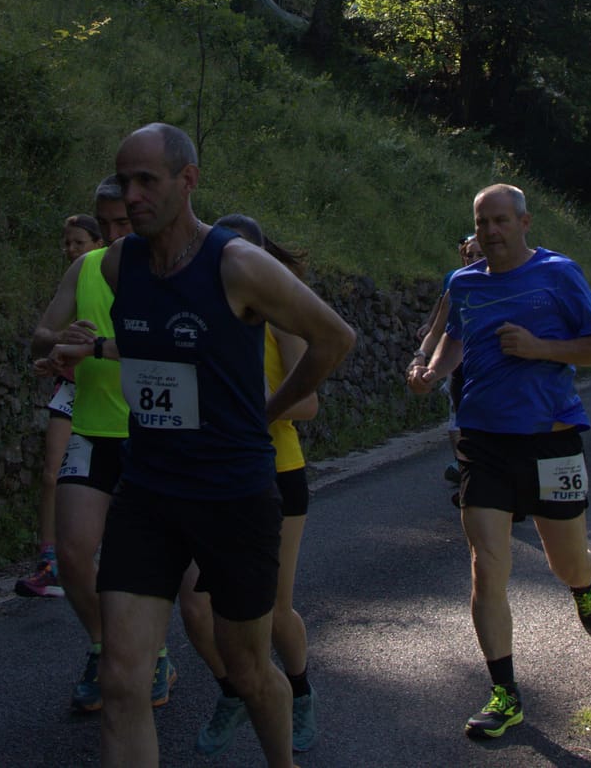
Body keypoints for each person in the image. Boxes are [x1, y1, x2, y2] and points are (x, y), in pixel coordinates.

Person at [42, 124, 356, 768]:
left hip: (232, 495)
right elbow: (158, 345)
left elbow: (335, 337)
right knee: (122, 679)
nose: (131, 196)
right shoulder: (119, 265)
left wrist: (266, 411)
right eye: (123, 181)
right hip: (148, 492)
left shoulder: (235, 263)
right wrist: (91, 347)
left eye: (146, 181)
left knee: (247, 669)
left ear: (188, 180)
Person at [408, 184, 591, 742]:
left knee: (567, 560)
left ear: (524, 222)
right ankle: (505, 692)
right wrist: (432, 371)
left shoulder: (559, 274)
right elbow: (453, 338)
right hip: (483, 440)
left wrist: (541, 347)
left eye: (501, 221)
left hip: (551, 439)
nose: (491, 232)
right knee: (487, 563)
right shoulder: (463, 282)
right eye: (483, 223)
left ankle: (584, 586)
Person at [26, 179, 171, 713]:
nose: (113, 235)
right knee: (71, 554)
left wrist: (102, 349)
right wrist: (61, 344)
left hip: (150, 432)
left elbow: (178, 346)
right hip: (90, 428)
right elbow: (42, 332)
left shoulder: (165, 269)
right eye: (104, 224)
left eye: (123, 225)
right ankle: (102, 645)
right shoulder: (84, 269)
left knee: (143, 561)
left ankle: (152, 653)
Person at [181, 215, 321, 757]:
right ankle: (235, 689)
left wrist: (251, 405)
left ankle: (299, 692)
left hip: (275, 474)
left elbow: (308, 402)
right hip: (210, 475)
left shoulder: (280, 314)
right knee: (194, 607)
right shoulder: (202, 311)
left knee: (274, 611)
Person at [16, 213, 104, 600]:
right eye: (67, 243)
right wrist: (57, 349)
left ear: (97, 243)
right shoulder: (77, 276)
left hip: (111, 396)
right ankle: (48, 561)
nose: (71, 249)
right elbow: (43, 336)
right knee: (51, 474)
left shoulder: (119, 273)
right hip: (71, 389)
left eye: (79, 243)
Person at [410, 235, 480, 483]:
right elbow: (442, 328)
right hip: (461, 369)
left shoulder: (514, 284)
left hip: (501, 378)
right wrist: (422, 359)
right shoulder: (457, 283)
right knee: (459, 420)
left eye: (479, 255)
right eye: (469, 255)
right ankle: (465, 468)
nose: (473, 260)